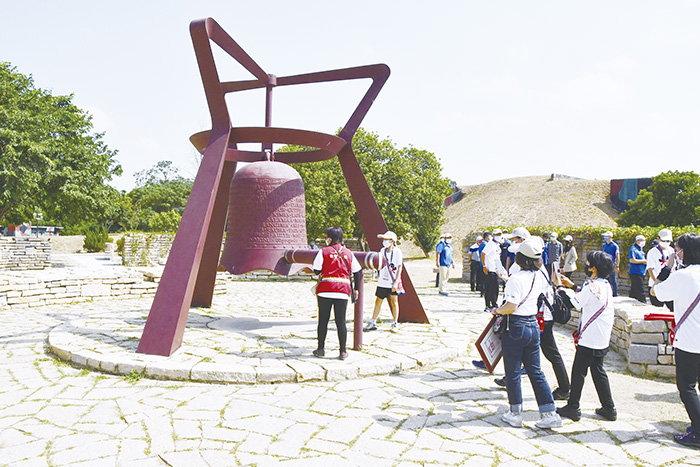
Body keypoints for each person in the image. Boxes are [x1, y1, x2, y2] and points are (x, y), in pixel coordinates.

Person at [493, 237, 563, 429]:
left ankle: (515, 413)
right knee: (536, 370)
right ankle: (549, 412)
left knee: (513, 371)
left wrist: (497, 310)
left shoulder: (516, 279)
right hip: (533, 323)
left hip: (516, 325)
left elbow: (511, 306)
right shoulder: (540, 275)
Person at [652, 233, 700, 449]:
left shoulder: (683, 276)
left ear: (685, 251)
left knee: (687, 386)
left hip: (690, 340)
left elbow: (656, 293)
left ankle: (698, 433)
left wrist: (667, 267)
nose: (675, 253)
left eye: (677, 249)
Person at [557, 251, 617, 422]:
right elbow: (589, 298)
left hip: (590, 338)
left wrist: (560, 288)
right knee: (598, 370)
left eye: (588, 263)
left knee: (578, 371)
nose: (586, 265)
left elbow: (572, 303)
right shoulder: (605, 285)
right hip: (601, 336)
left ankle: (573, 406)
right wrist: (572, 286)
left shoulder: (591, 286)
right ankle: (609, 407)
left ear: (594, 268)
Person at [312, 226, 361, 360]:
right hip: (342, 290)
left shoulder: (323, 251)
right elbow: (357, 271)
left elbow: (316, 270)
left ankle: (321, 348)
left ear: (329, 238)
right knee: (341, 321)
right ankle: (343, 351)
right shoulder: (349, 253)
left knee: (323, 320)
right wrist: (356, 289)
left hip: (325, 289)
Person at [364, 231, 403, 333]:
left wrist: (396, 281)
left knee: (394, 302)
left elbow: (399, 267)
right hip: (382, 281)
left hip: (392, 281)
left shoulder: (397, 252)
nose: (384, 242)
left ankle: (395, 322)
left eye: (387, 240)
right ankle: (373, 321)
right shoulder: (382, 250)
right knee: (378, 301)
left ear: (392, 241)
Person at [647, 229, 675, 311]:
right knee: (657, 309)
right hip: (656, 284)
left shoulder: (671, 250)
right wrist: (657, 282)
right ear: (658, 239)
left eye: (668, 241)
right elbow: (650, 269)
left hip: (669, 284)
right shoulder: (652, 252)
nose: (666, 242)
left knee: (673, 308)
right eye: (664, 240)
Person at [481, 231, 507, 311]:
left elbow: (497, 258)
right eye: (497, 235)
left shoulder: (497, 245)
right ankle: (489, 305)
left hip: (496, 269)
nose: (498, 236)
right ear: (493, 235)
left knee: (495, 288)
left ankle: (494, 303)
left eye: (499, 235)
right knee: (490, 288)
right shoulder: (490, 244)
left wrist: (500, 269)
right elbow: (483, 254)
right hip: (490, 269)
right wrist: (484, 266)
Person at [628, 235, 647, 303]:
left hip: (641, 272)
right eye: (640, 240)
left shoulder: (641, 249)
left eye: (643, 240)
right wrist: (643, 261)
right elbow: (632, 260)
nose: (641, 242)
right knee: (640, 288)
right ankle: (643, 301)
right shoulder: (633, 249)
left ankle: (632, 300)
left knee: (634, 289)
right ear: (636, 241)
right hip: (635, 272)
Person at [601, 231, 620, 296]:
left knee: (613, 279)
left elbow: (617, 256)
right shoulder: (604, 245)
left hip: (612, 264)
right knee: (606, 279)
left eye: (606, 236)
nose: (605, 238)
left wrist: (617, 266)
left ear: (610, 237)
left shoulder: (614, 246)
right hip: (605, 264)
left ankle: (615, 293)